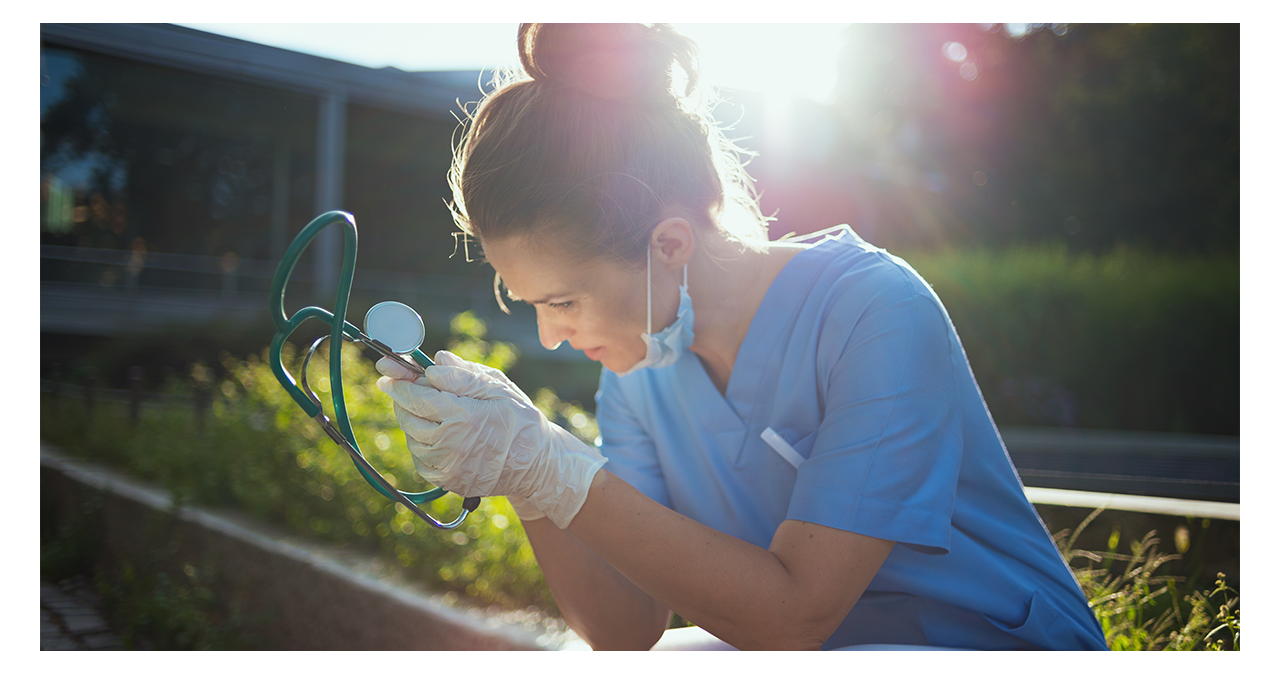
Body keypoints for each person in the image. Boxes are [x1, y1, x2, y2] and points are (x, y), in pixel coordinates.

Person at [374, 23, 1109, 651]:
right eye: (529, 301)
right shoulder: (635, 375)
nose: (552, 334)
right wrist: (526, 474)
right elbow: (627, 628)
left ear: (668, 245)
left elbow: (797, 612)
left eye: (563, 299)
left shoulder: (875, 312)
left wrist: (553, 466)